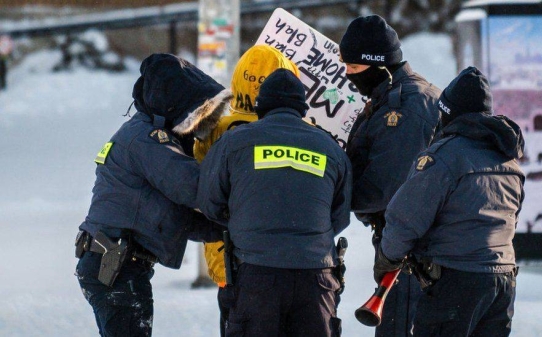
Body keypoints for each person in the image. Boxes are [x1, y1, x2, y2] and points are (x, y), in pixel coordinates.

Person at [74, 53, 232, 336]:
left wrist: (226, 230)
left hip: (113, 264)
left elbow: (174, 218)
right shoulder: (148, 140)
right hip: (115, 267)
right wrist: (246, 187)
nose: (200, 123)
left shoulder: (145, 135)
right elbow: (194, 188)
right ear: (177, 106)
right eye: (197, 113)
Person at [197, 68, 352, 337]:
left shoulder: (233, 142)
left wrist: (245, 224)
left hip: (256, 278)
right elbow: (340, 217)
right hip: (316, 281)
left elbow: (209, 204)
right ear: (302, 108)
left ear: (261, 107)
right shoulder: (330, 148)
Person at [374, 66, 525, 336]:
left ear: (447, 113)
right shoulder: (508, 159)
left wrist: (388, 257)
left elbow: (405, 218)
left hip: (457, 282)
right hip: (503, 282)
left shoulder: (444, 157)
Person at [338, 14, 441, 336]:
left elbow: (387, 187)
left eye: (353, 68)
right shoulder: (396, 95)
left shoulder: (406, 108)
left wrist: (334, 198)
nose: (347, 74)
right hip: (406, 241)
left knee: (399, 326)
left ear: (378, 65)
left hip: (412, 248)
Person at [192, 44, 300, 336]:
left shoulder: (215, 130)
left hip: (229, 262)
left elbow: (200, 192)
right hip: (295, 267)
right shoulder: (302, 133)